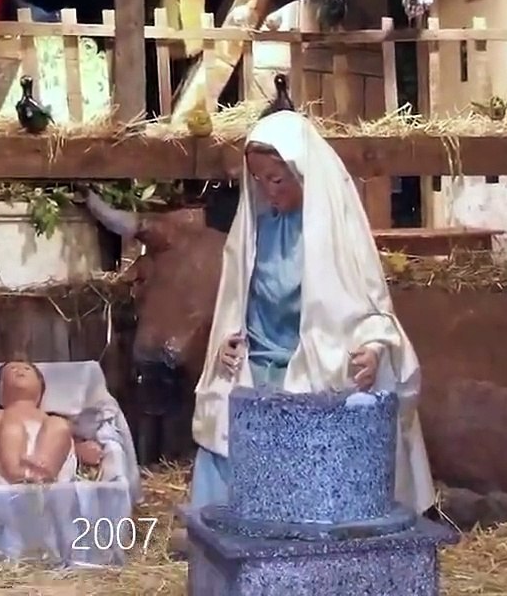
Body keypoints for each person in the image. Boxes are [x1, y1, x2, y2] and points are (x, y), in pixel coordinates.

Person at [186, 110, 435, 514]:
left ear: (302, 172)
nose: (268, 191)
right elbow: (236, 303)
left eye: (276, 179)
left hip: (315, 371)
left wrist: (373, 349)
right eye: (258, 180)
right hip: (256, 374)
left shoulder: (334, 235)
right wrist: (227, 344)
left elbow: (367, 307)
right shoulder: (254, 233)